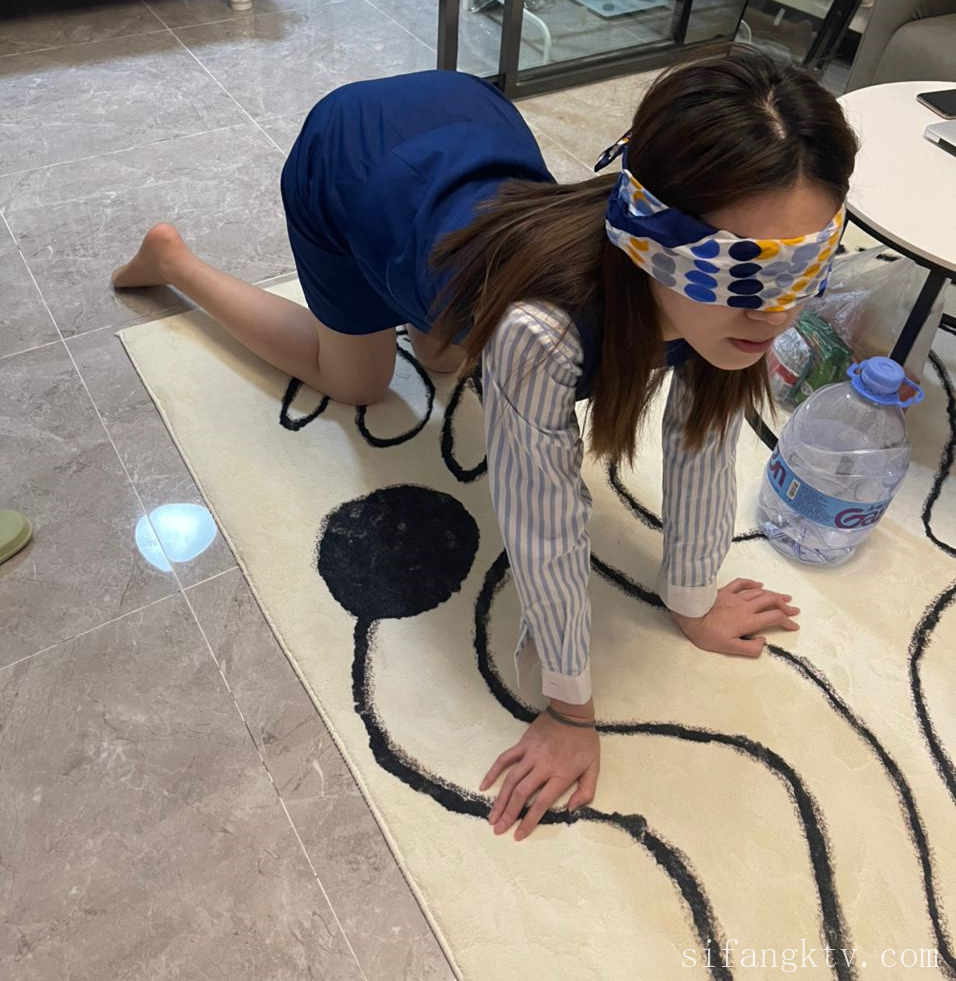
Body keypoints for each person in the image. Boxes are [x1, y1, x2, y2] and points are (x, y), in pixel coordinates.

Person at [112, 46, 857, 842]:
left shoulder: (720, 311)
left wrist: (694, 598)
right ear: (647, 234)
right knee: (361, 380)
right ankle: (175, 261)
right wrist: (568, 710)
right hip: (354, 159)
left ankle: (427, 300)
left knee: (447, 349)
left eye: (806, 268)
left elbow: (703, 436)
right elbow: (543, 523)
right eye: (739, 273)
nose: (776, 314)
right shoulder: (542, 332)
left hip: (467, 120)